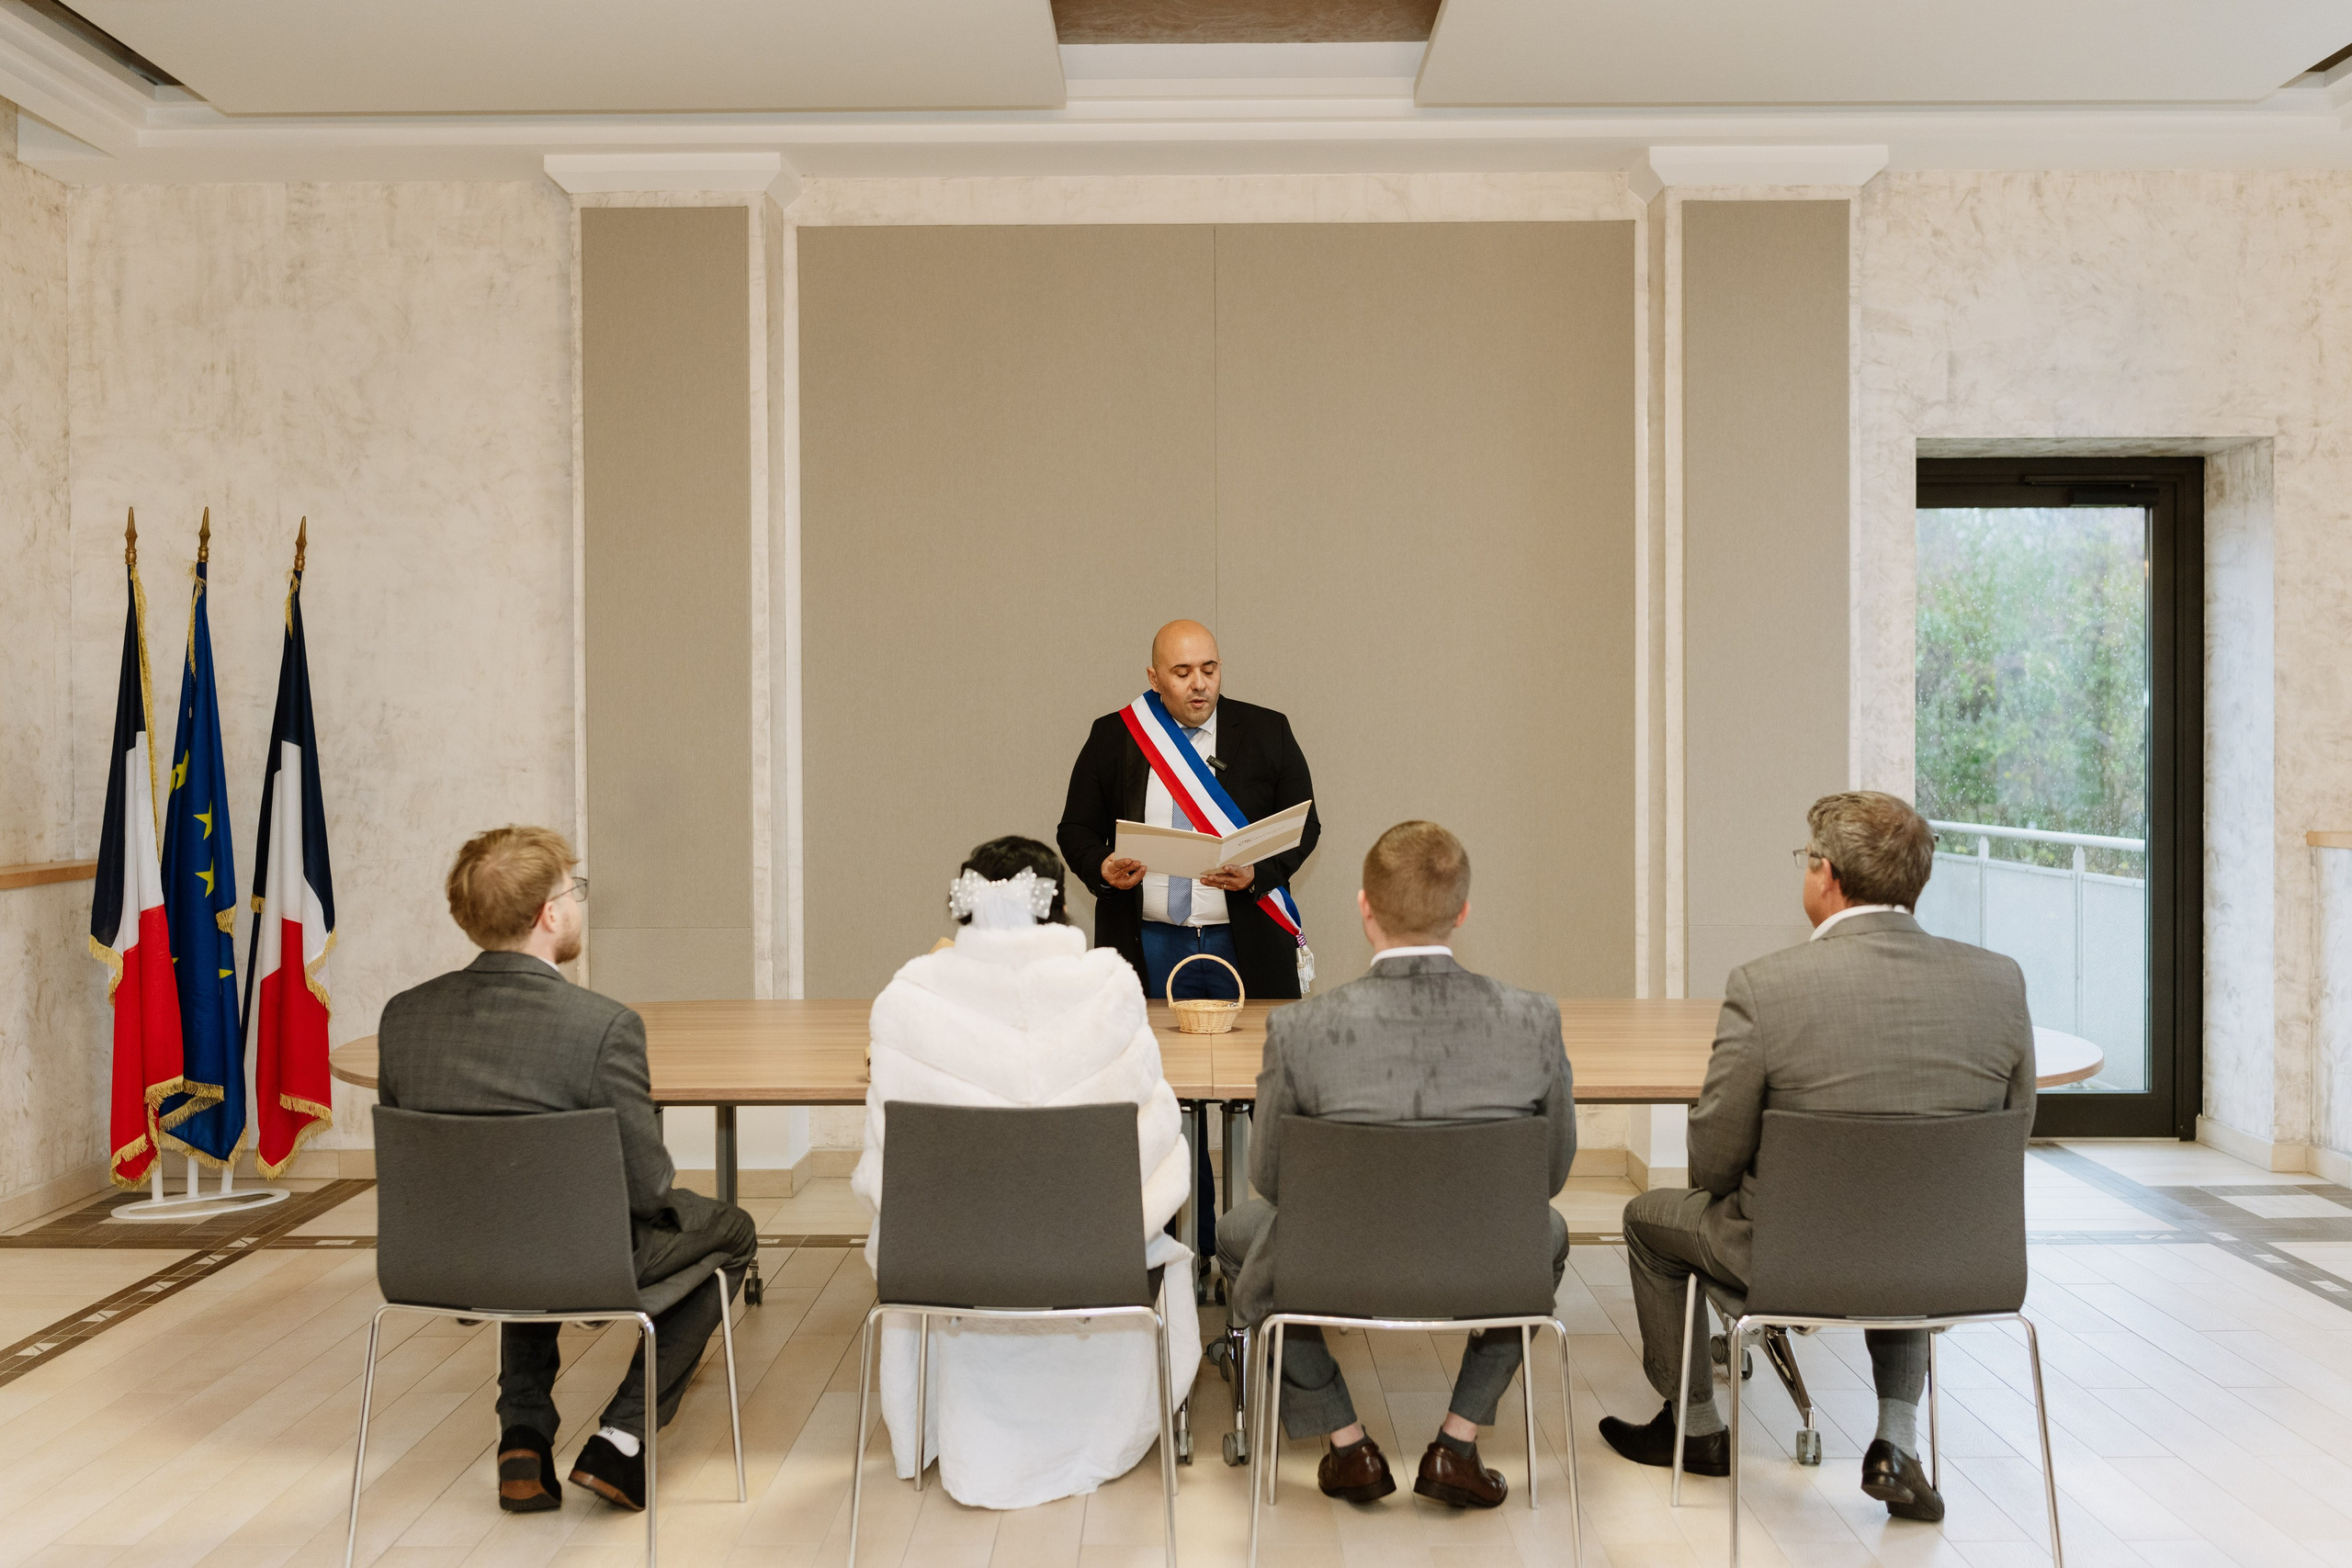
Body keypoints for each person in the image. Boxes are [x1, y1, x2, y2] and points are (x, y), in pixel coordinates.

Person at [1598, 791, 2034, 1525]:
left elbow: (1711, 1161)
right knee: (1904, 1214)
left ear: (1826, 874)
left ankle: (1695, 1426)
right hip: (1950, 1257)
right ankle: (1896, 1443)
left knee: (1647, 1218)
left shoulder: (1766, 987)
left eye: (1806, 861)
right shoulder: (2000, 981)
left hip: (1787, 1259)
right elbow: (2011, 1133)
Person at [376, 826, 758, 1516]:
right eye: (571, 892)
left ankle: (522, 1433)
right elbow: (646, 1188)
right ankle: (623, 1438)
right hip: (572, 1258)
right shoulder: (601, 1025)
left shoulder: (405, 1018)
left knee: (526, 1220)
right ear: (550, 915)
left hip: (446, 1260)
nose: (577, 904)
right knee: (730, 1230)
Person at [1217, 820, 1576, 1510]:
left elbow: (1269, 1176)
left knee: (1242, 1236)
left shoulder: (1301, 1028)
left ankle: (1346, 1442)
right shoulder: (1534, 1018)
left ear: (1364, 907)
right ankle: (1457, 1440)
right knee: (1550, 1232)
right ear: (1463, 911)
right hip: (1486, 1257)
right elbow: (1550, 1175)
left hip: (1335, 1259)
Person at [851, 836, 1203, 1509]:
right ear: (1061, 905)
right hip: (1095, 1265)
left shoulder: (906, 999)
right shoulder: (1110, 988)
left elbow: (885, 1169)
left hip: (948, 1267)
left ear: (964, 905)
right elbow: (1158, 1150)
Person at [1057, 618, 1320, 1007]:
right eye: (1182, 673)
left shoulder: (1268, 730)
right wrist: (1102, 867)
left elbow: (1304, 826)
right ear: (1154, 678)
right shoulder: (1114, 736)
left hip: (1245, 934)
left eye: (1209, 670)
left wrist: (1256, 874)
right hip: (1148, 939)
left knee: (1253, 1060)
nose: (1199, 683)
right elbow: (1076, 829)